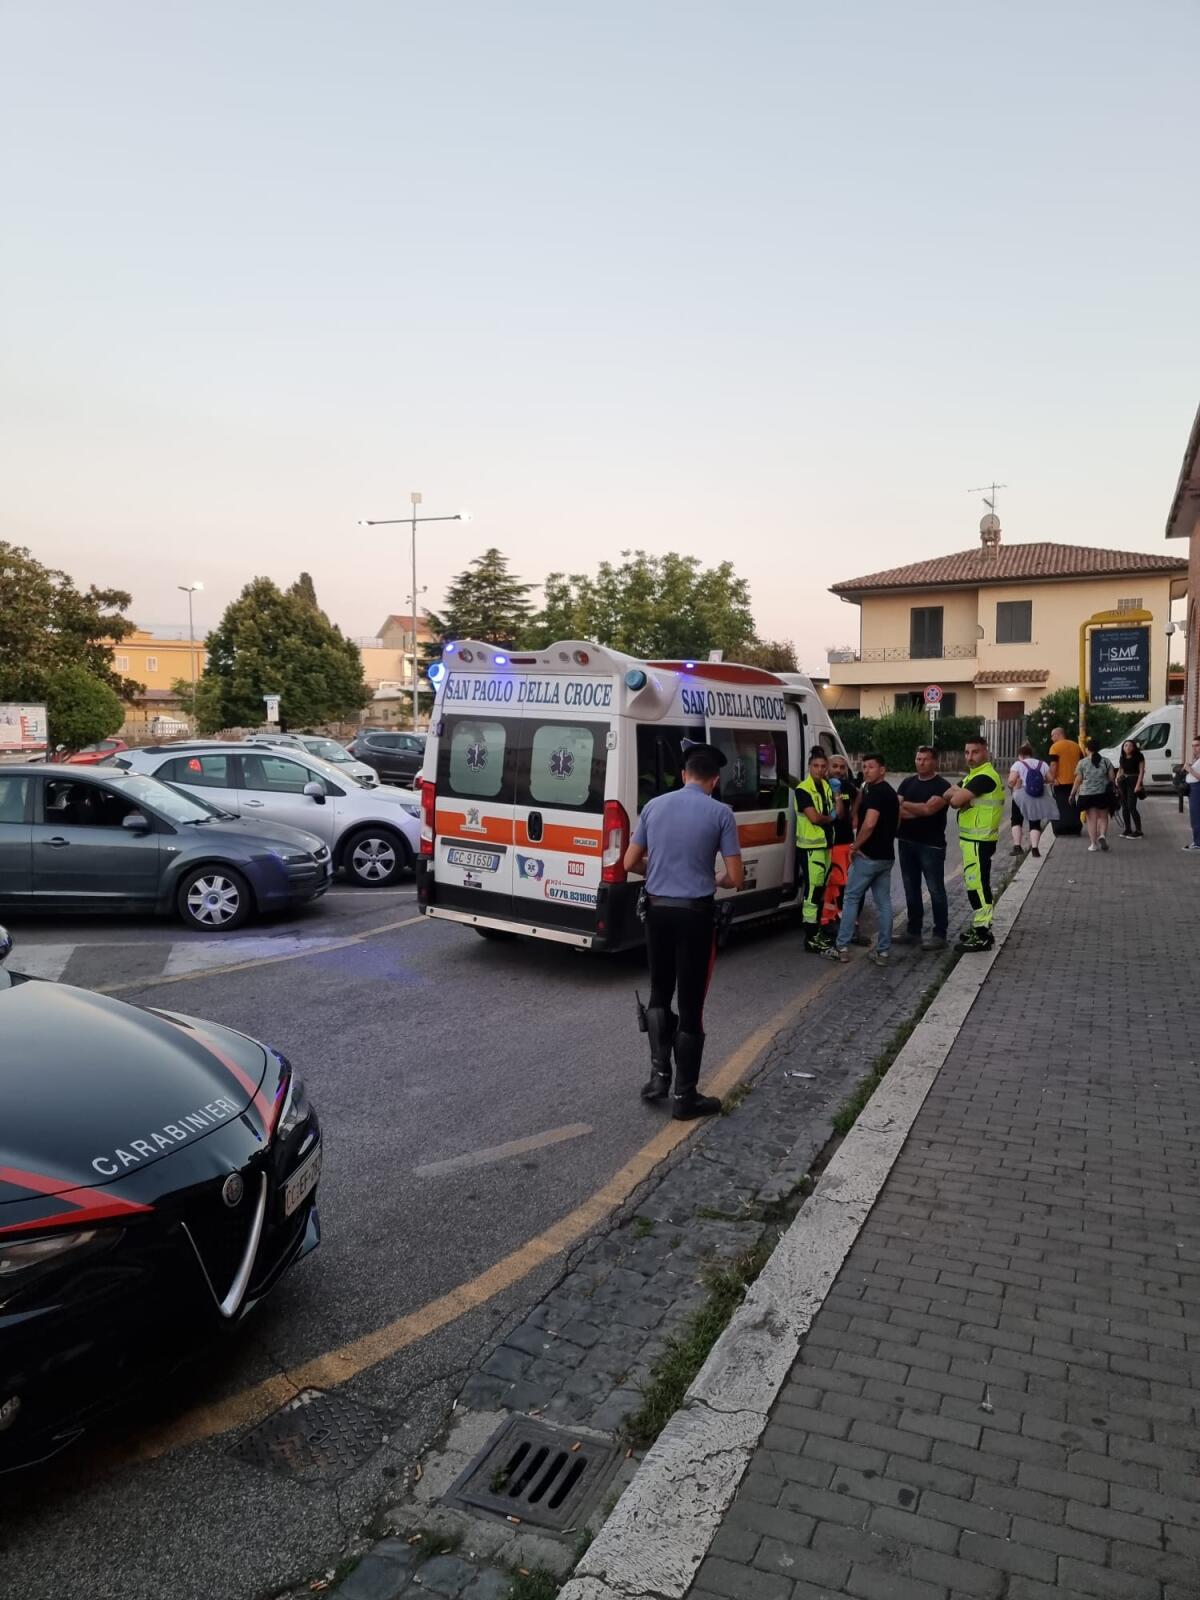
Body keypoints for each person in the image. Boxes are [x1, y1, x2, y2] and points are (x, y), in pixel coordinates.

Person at [624, 744, 744, 1119]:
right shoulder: (721, 813)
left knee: (660, 992)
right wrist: (712, 877)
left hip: (657, 912)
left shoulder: (653, 807)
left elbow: (629, 863)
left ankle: (659, 1077)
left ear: (683, 775)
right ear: (714, 780)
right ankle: (685, 1097)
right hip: (695, 917)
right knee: (692, 1005)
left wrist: (661, 871)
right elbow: (736, 877)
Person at [824, 751, 898, 966]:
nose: (866, 770)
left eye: (871, 767)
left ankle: (842, 947)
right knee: (884, 904)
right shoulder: (888, 793)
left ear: (882, 769)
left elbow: (870, 823)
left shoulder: (876, 793)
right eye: (864, 767)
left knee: (850, 899)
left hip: (868, 857)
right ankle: (883, 952)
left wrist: (855, 846)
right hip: (886, 857)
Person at [946, 736, 1004, 952]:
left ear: (986, 752)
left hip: (980, 841)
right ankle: (980, 928)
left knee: (978, 887)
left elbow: (953, 801)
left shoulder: (984, 777)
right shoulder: (974, 776)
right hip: (972, 840)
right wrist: (961, 795)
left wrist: (961, 796)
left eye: (975, 752)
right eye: (967, 752)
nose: (970, 757)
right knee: (975, 884)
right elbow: (947, 794)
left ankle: (982, 934)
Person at [896, 744, 950, 950]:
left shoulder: (942, 786)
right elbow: (897, 810)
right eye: (918, 759)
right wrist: (920, 808)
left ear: (934, 761)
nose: (921, 762)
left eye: (925, 759)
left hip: (931, 845)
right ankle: (913, 931)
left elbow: (929, 810)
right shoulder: (907, 783)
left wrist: (908, 806)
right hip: (906, 842)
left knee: (935, 889)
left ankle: (940, 934)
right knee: (911, 888)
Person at [789, 748, 835, 953]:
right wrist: (830, 818)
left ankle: (816, 932)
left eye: (823, 766)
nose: (820, 769)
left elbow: (838, 811)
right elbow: (815, 818)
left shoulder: (825, 785)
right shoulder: (803, 789)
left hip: (825, 846)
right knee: (812, 891)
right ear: (809, 767)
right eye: (816, 766)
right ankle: (810, 937)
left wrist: (838, 795)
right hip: (810, 848)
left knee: (820, 890)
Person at [821, 753, 862, 940]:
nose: (838, 770)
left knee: (847, 885)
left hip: (846, 842)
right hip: (829, 842)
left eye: (842, 767)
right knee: (831, 885)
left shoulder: (846, 786)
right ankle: (828, 921)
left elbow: (858, 795)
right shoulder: (821, 786)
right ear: (827, 768)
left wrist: (854, 814)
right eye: (835, 766)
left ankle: (847, 922)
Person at [1008, 741, 1056, 858]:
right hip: (1037, 796)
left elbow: (1011, 781)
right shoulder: (1042, 764)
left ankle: (1017, 846)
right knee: (1035, 822)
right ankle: (1035, 849)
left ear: (1021, 755)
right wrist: (1040, 782)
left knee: (1016, 820)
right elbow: (1050, 779)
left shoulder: (1018, 765)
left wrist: (1015, 784)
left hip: (1020, 795)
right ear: (1031, 754)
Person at [1069, 737, 1115, 853]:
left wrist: (1072, 794)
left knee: (1091, 819)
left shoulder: (1082, 762)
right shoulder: (1106, 761)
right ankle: (1103, 835)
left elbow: (1078, 780)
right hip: (1103, 793)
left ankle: (1093, 844)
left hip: (1087, 794)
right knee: (1103, 817)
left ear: (1087, 749)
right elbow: (1112, 778)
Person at [1048, 726, 1083, 836]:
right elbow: (1082, 763)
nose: (1051, 738)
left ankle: (1062, 829)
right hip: (1074, 781)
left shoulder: (1055, 747)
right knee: (1072, 804)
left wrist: (1052, 779)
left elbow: (1053, 764)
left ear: (1058, 734)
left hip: (1060, 781)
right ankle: (1075, 828)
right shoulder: (1076, 746)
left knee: (1061, 805)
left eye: (1052, 735)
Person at [1116, 738, 1146, 838]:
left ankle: (1138, 831)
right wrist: (1117, 779)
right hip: (1123, 781)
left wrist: (1138, 785)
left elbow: (1141, 771)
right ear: (1123, 747)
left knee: (1131, 806)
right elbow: (1121, 769)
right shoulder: (1122, 757)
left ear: (1133, 747)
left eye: (1130, 745)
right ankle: (1127, 829)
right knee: (1124, 807)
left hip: (1134, 780)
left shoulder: (1139, 756)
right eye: (1125, 745)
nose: (1128, 747)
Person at [1183, 734, 1200, 851]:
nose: (1194, 748)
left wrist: (1189, 769)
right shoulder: (1197, 758)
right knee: (1194, 816)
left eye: (1197, 745)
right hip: (1192, 789)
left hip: (1197, 788)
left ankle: (1198, 843)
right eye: (1193, 745)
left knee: (1196, 816)